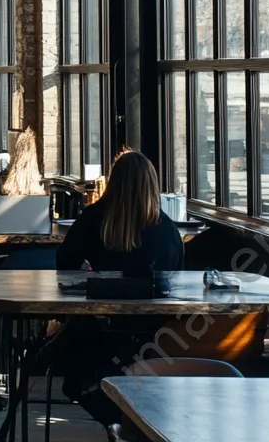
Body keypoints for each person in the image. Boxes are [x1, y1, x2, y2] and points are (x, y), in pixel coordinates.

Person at [53, 150, 184, 434]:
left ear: (113, 182)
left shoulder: (93, 219)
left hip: (96, 333)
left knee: (71, 377)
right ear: (152, 184)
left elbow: (65, 263)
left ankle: (119, 421)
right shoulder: (168, 230)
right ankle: (133, 422)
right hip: (156, 339)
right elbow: (175, 277)